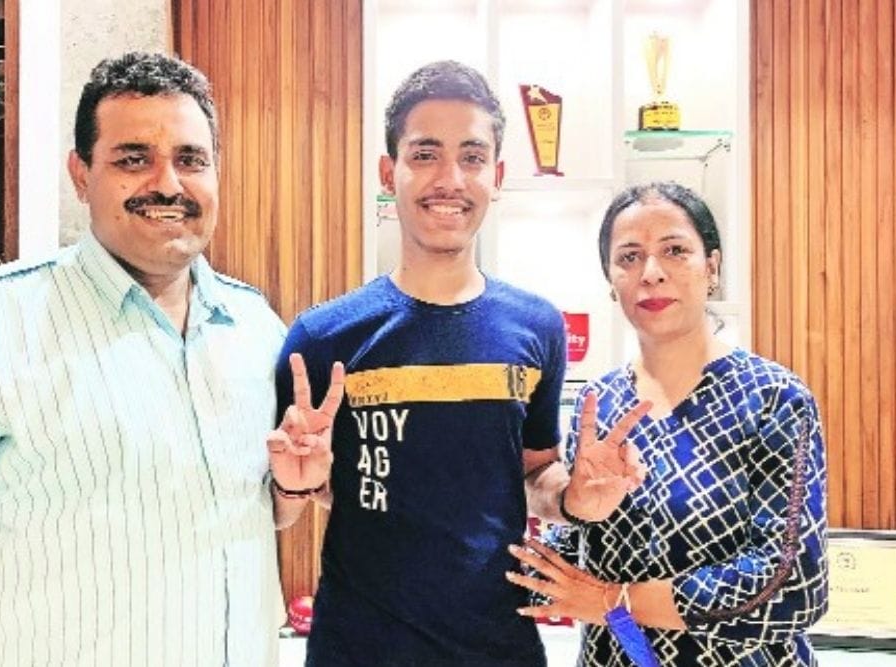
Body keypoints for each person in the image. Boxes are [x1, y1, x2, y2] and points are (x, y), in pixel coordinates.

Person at [0, 52, 323, 666]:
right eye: (133, 159)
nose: (168, 183)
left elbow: (236, 513)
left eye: (191, 160)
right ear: (81, 175)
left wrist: (292, 493)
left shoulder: (256, 328)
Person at [269, 60, 648, 667]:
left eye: (471, 157)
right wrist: (298, 481)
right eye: (425, 154)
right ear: (388, 173)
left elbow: (532, 479)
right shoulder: (321, 336)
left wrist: (576, 497)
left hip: (500, 648)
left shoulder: (536, 327)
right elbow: (293, 503)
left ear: (495, 176)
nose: (450, 178)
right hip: (358, 650)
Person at [507, 181, 829, 666]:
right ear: (611, 282)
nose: (651, 274)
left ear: (712, 268)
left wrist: (618, 602)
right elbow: (582, 548)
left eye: (675, 251)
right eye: (629, 257)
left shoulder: (773, 397)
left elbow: (796, 583)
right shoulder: (602, 403)